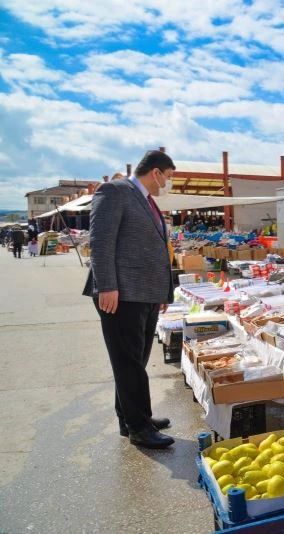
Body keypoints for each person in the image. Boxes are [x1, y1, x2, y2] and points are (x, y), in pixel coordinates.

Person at [82, 150, 176, 449]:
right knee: (128, 363)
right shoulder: (115, 191)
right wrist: (106, 285)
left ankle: (130, 417)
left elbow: (156, 248)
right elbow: (100, 240)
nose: (168, 184)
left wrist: (163, 292)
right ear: (156, 172)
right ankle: (140, 427)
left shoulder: (148, 202)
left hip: (145, 293)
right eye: (169, 178)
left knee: (135, 361)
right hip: (121, 293)